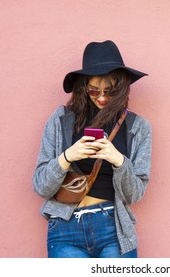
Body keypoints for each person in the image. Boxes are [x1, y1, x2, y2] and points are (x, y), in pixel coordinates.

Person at [32, 40, 152, 258]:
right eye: (94, 90)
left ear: (123, 87)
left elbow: (135, 194)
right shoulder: (61, 120)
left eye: (111, 91)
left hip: (113, 228)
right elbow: (41, 186)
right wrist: (68, 156)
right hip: (65, 230)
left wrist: (119, 160)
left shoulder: (138, 128)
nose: (103, 97)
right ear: (83, 87)